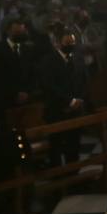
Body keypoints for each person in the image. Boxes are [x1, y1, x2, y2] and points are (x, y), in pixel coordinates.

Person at [38, 23, 90, 166]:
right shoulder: (48, 61)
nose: (71, 45)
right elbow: (49, 86)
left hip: (76, 111)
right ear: (57, 43)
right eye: (67, 42)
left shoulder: (78, 58)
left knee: (74, 145)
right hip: (57, 110)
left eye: (73, 42)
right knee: (56, 146)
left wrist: (79, 99)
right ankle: (57, 177)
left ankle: (73, 173)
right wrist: (69, 101)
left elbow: (85, 80)